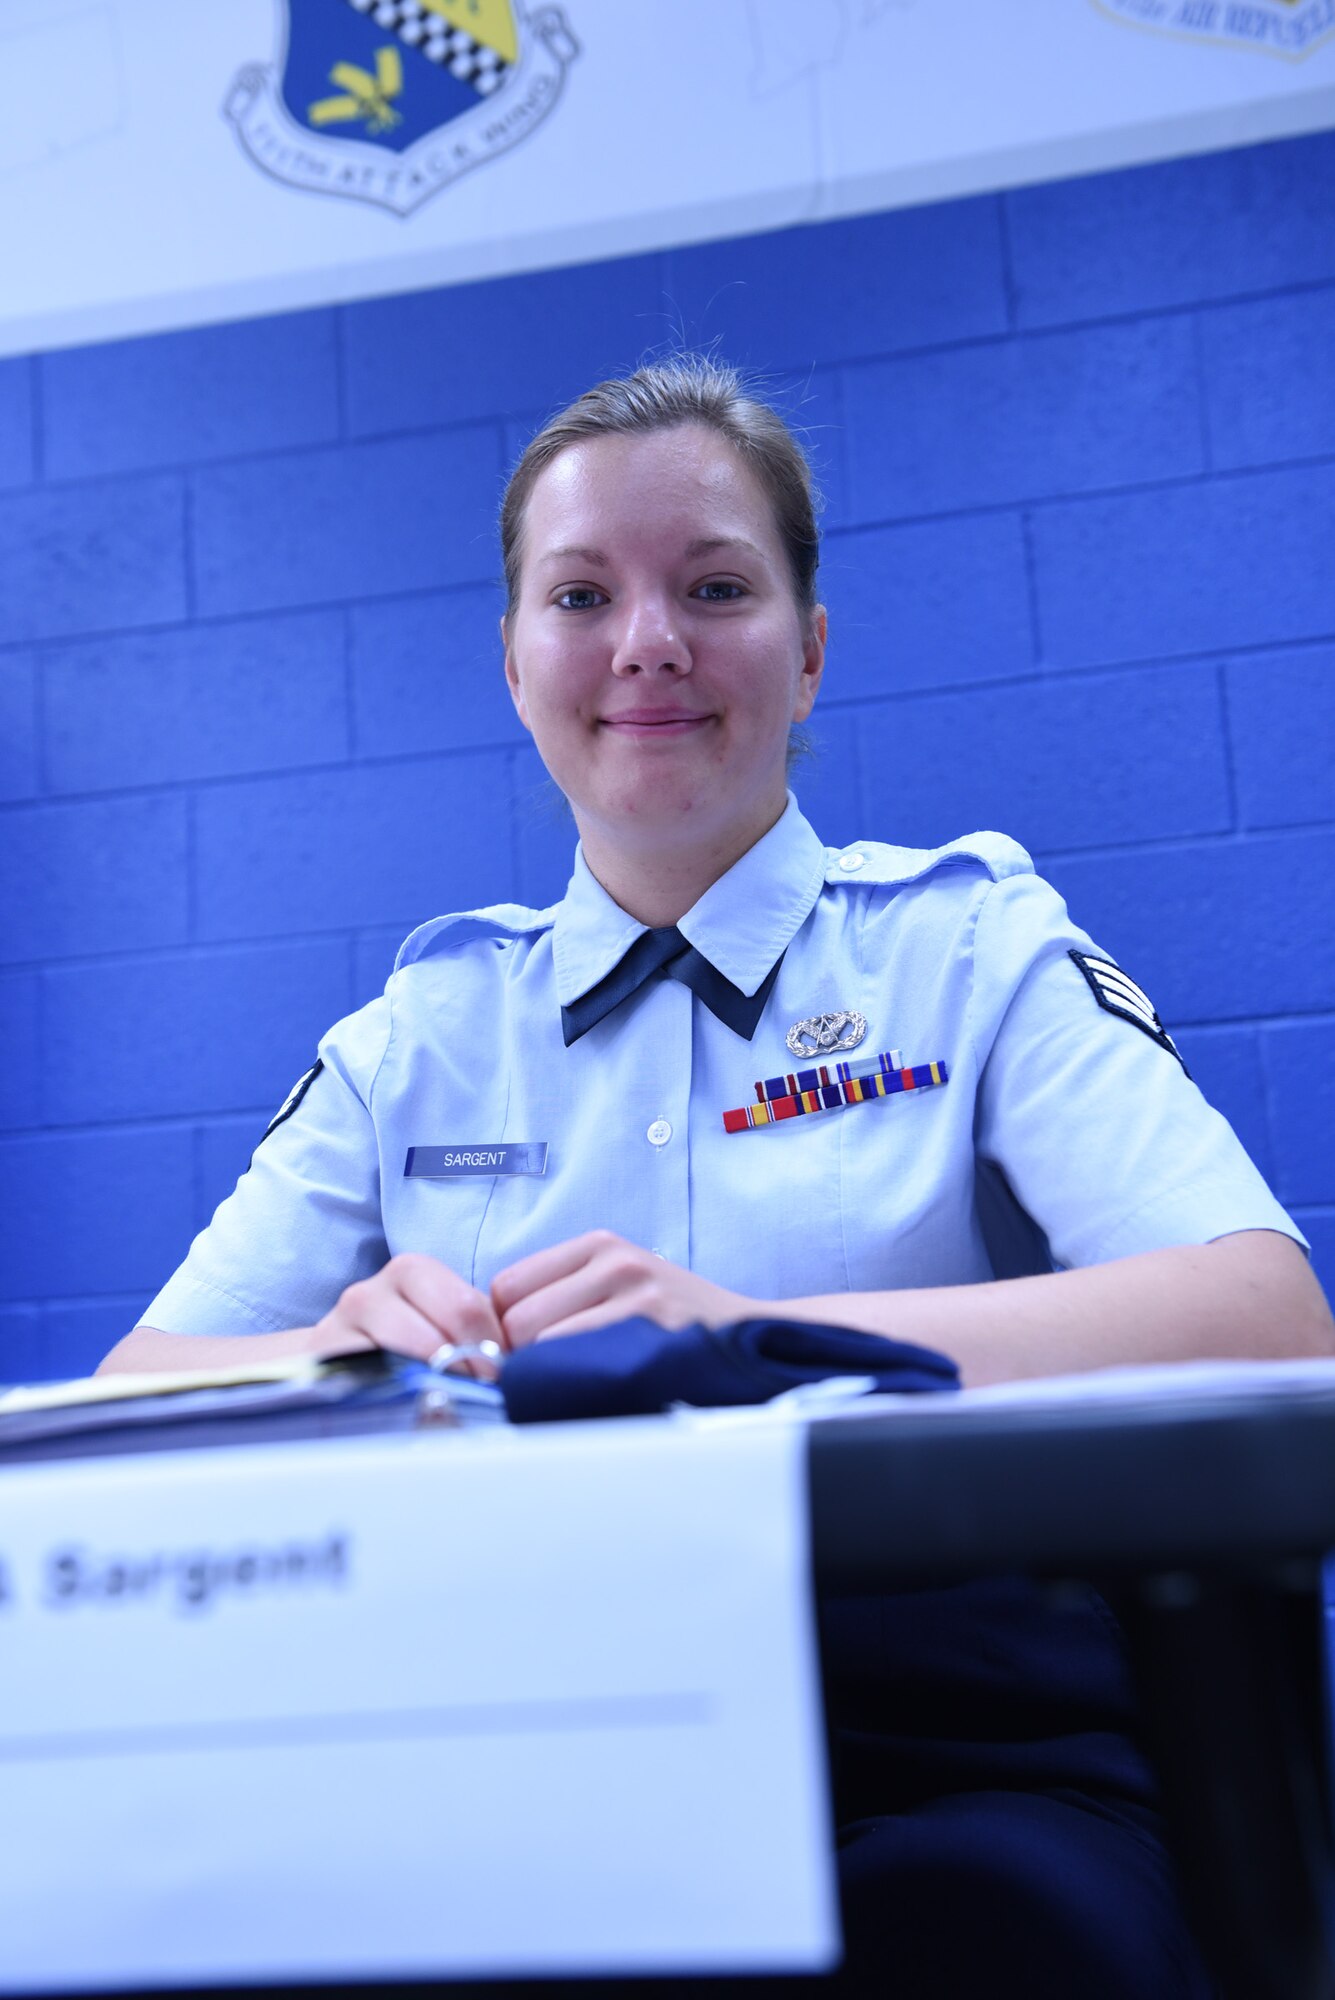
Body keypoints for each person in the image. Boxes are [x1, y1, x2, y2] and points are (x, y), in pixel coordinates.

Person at [101, 356, 1331, 1993]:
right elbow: (140, 1387)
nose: (649, 644)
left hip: (953, 1743)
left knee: (982, 1939)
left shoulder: (973, 950)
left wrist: (757, 1340)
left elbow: (1271, 1316)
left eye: (716, 587)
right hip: (517, 1748)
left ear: (809, 652)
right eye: (582, 594)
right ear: (516, 661)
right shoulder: (416, 1037)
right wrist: (346, 1358)